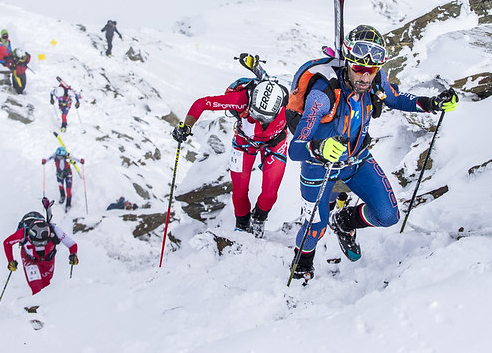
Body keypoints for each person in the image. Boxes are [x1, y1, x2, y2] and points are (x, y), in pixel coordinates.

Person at [288, 25, 458, 281]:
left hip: (357, 160)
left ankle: (345, 222)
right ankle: (302, 267)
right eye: (358, 68)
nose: (365, 77)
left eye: (372, 70)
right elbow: (295, 149)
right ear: (347, 63)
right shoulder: (322, 95)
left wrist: (433, 103)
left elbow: (397, 98)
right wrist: (320, 147)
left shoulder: (374, 82)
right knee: (314, 227)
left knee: (388, 215)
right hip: (318, 166)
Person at [171, 75, 290, 238]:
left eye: (265, 118)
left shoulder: (292, 105)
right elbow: (203, 103)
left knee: (270, 192)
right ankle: (241, 225)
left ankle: (259, 219)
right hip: (244, 141)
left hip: (275, 143)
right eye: (256, 115)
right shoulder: (241, 99)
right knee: (240, 189)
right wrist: (186, 126)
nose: (260, 121)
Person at [3, 200, 78, 295]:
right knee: (37, 289)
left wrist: (73, 254)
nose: (40, 245)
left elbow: (72, 244)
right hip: (29, 260)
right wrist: (10, 261)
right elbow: (7, 243)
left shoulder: (54, 230)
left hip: (48, 259)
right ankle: (36, 307)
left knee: (46, 286)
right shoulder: (23, 233)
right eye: (37, 243)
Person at [42, 146, 82, 211]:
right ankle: (62, 196)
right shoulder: (55, 155)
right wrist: (44, 161)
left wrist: (81, 161)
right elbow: (49, 158)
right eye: (58, 156)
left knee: (68, 190)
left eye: (60, 156)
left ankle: (68, 204)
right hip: (59, 174)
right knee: (61, 186)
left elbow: (75, 159)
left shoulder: (68, 156)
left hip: (68, 174)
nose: (59, 158)